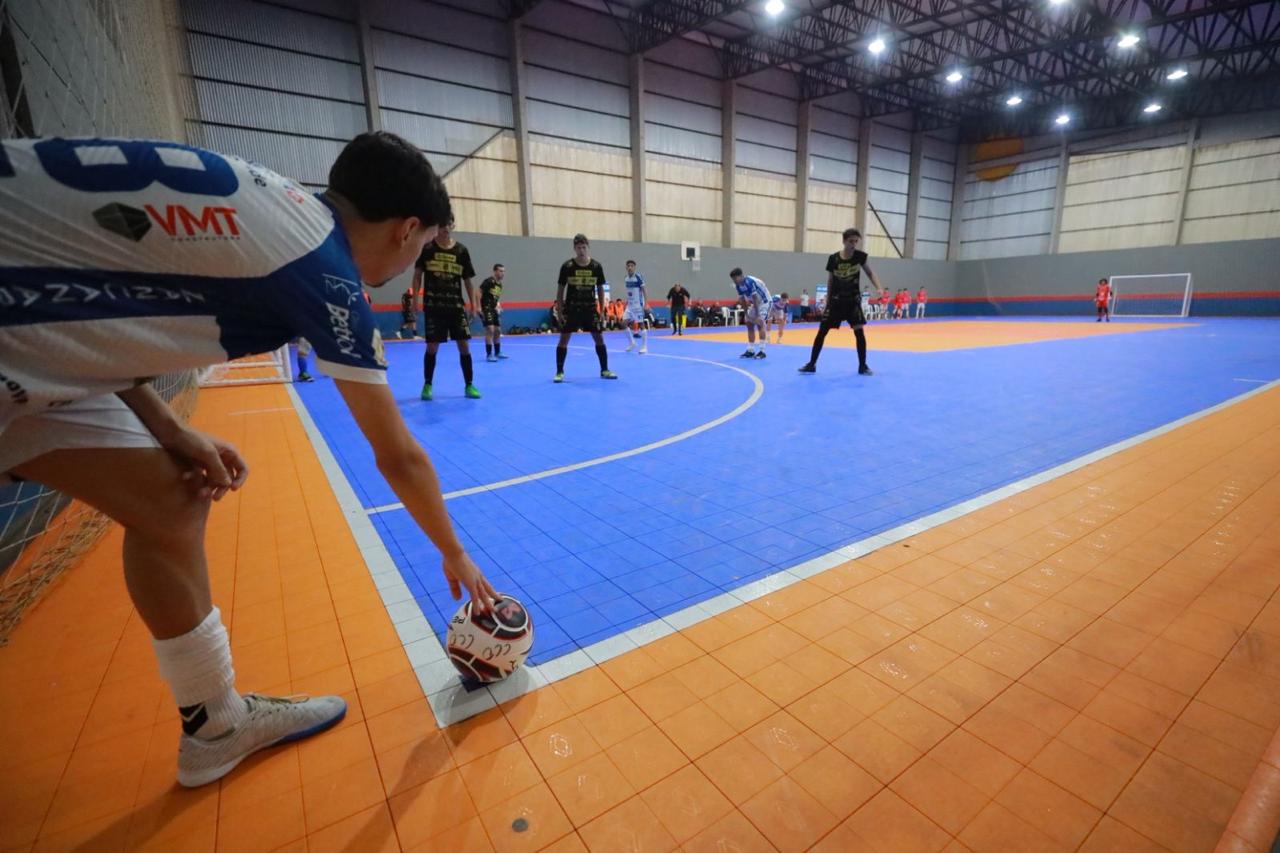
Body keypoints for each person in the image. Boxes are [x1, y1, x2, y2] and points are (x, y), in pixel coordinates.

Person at [0, 131, 499, 787]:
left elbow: (95, 316)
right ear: (408, 230)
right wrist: (454, 551)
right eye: (419, 249)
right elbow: (398, 455)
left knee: (168, 499)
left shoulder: (270, 206)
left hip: (31, 333)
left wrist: (172, 429)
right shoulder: (322, 267)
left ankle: (216, 725)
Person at [799, 228, 886, 376]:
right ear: (844, 241)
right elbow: (830, 280)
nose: (853, 244)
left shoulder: (860, 257)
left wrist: (879, 288)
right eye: (850, 241)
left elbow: (871, 273)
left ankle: (863, 366)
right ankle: (812, 364)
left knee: (859, 333)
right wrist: (827, 301)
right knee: (821, 332)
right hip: (836, 302)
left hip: (853, 301)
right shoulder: (833, 259)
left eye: (856, 241)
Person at [414, 219, 480, 401]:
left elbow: (468, 281)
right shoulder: (427, 248)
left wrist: (474, 306)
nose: (444, 228)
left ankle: (469, 385)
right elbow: (417, 276)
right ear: (436, 226)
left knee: (464, 346)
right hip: (434, 307)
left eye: (448, 224)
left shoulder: (461, 251)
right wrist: (414, 301)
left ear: (453, 226)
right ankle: (427, 384)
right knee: (432, 347)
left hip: (456, 307)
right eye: (441, 224)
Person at [554, 234, 618, 382]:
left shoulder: (596, 266)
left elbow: (600, 289)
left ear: (587, 247)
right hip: (571, 309)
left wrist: (601, 311)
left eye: (584, 247)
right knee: (563, 340)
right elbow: (560, 290)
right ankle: (559, 372)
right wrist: (560, 311)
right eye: (578, 247)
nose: (581, 250)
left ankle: (604, 369)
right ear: (574, 248)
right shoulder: (567, 267)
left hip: (590, 309)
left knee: (599, 339)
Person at [729, 268, 771, 359]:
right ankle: (751, 349)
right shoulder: (738, 285)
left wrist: (757, 314)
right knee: (748, 322)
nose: (734, 281)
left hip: (765, 302)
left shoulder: (750, 282)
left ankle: (762, 350)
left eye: (735, 279)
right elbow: (742, 300)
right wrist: (746, 314)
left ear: (741, 276)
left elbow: (755, 298)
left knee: (760, 322)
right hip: (755, 303)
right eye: (733, 279)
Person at [480, 263, 507, 361]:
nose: (502, 273)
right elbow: (478, 292)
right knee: (490, 329)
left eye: (504, 271)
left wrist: (498, 306)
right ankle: (489, 354)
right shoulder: (489, 281)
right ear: (495, 271)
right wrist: (478, 307)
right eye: (500, 271)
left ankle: (498, 352)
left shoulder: (499, 285)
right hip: (486, 308)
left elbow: (495, 298)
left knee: (498, 330)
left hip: (493, 309)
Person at [621, 260, 648, 354]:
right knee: (623, 324)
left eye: (632, 266)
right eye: (628, 266)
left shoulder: (638, 277)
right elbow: (630, 292)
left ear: (634, 267)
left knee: (641, 325)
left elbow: (644, 290)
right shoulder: (626, 278)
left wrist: (646, 303)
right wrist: (626, 303)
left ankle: (644, 346)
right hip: (629, 306)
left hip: (638, 305)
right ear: (626, 267)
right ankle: (632, 343)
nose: (630, 267)